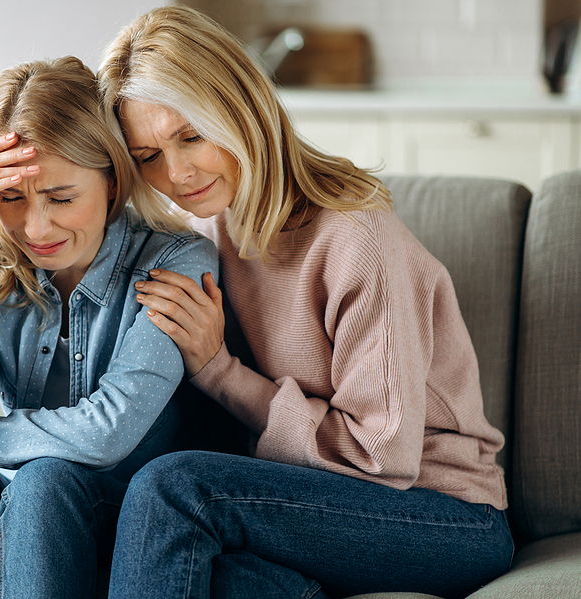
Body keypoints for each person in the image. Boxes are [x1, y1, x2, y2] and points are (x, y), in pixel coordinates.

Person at [98, 6, 513, 599]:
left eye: (191, 136)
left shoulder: (356, 238)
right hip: (311, 506)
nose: (177, 172)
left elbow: (383, 458)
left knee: (176, 490)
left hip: (442, 516)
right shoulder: (205, 234)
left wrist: (219, 372)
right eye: (147, 157)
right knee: (126, 530)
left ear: (240, 108)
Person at [0, 55, 218, 599]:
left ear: (112, 180)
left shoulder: (178, 262)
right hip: (15, 489)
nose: (36, 227)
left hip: (120, 506)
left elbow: (106, 435)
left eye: (61, 197)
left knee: (46, 478)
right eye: (11, 197)